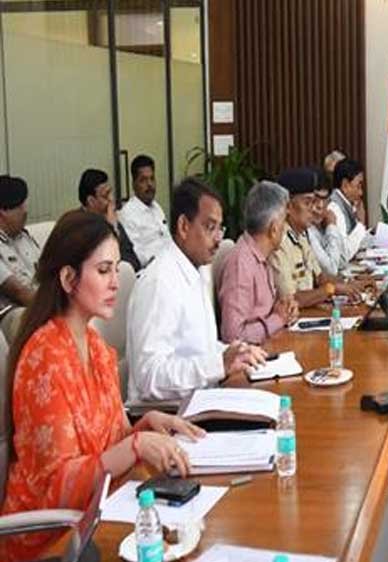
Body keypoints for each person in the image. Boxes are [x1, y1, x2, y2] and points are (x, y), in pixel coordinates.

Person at [0, 211, 203, 561]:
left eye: (115, 270)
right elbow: (59, 485)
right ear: (68, 278)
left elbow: (111, 447)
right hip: (51, 539)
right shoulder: (44, 359)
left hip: (99, 513)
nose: (115, 283)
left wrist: (146, 424)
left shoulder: (96, 347)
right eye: (103, 270)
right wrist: (136, 445)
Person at [127, 178, 266, 403]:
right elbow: (149, 376)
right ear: (183, 226)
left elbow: (199, 349)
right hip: (169, 413)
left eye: (220, 228)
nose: (218, 239)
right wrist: (219, 365)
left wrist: (234, 352)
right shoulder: (159, 282)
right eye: (210, 227)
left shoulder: (197, 269)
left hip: (202, 399)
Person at [217, 181, 298, 344]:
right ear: (274, 229)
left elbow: (261, 312)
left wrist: (283, 309)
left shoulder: (261, 256)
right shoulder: (241, 264)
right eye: (284, 222)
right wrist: (278, 319)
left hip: (270, 345)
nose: (286, 228)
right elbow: (232, 336)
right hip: (254, 355)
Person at [269, 168, 351, 308]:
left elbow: (320, 277)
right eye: (307, 203)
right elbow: (291, 299)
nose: (313, 209)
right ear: (288, 206)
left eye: (314, 202)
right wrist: (331, 289)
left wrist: (349, 283)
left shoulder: (301, 235)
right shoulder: (279, 241)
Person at [77, 168, 141, 272]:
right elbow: (99, 266)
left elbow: (134, 261)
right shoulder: (78, 226)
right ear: (91, 201)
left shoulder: (110, 218)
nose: (111, 199)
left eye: (111, 193)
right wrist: (111, 230)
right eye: (105, 196)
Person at [118, 154, 170, 267]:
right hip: (151, 269)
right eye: (143, 180)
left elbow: (167, 238)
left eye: (152, 179)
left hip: (169, 262)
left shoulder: (156, 207)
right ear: (134, 184)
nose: (149, 184)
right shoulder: (128, 214)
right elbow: (137, 256)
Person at [0, 175, 39, 307]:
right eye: (19, 206)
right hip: (14, 310)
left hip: (42, 300)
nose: (25, 211)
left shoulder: (24, 237)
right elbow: (18, 292)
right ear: (3, 212)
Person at [309, 168, 347, 277]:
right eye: (315, 200)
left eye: (325, 200)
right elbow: (331, 270)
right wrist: (331, 227)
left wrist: (330, 227)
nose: (320, 206)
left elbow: (343, 261)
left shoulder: (323, 224)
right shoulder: (307, 230)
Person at [329, 159, 368, 262]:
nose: (361, 193)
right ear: (345, 185)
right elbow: (344, 254)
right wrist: (361, 223)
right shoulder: (334, 208)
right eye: (358, 186)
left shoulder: (347, 204)